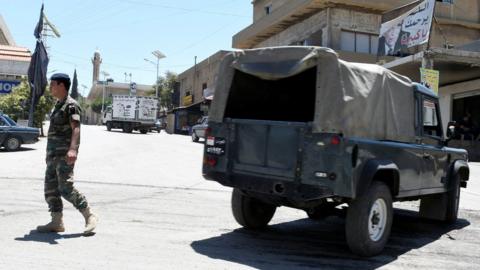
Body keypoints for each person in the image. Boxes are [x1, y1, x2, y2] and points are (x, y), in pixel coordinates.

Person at [36, 73, 98, 235]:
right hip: (53, 155)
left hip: (64, 155)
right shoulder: (58, 104)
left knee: (65, 188)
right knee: (51, 188)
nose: (50, 88)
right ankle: (57, 222)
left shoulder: (71, 105)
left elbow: (76, 128)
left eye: (52, 84)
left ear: (61, 85)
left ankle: (89, 215)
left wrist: (73, 149)